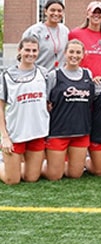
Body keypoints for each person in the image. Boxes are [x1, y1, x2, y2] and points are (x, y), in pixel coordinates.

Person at [0, 38, 50, 184]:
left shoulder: (44, 74)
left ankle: (14, 166)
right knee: (12, 180)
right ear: (19, 51)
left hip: (37, 133)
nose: (31, 53)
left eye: (34, 50)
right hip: (15, 134)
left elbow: (48, 101)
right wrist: (4, 137)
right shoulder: (6, 76)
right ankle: (9, 167)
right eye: (27, 50)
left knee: (31, 178)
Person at [44, 40, 95, 181]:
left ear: (83, 55)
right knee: (54, 176)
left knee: (75, 175)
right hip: (58, 132)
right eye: (71, 52)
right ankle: (38, 165)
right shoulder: (55, 75)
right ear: (65, 53)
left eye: (78, 52)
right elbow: (46, 102)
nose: (74, 55)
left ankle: (62, 163)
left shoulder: (88, 74)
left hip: (81, 131)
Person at [23, 0, 69, 70]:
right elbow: (24, 54)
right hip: (39, 75)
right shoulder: (34, 31)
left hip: (58, 76)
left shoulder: (65, 30)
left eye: (59, 11)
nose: (56, 13)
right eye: (52, 10)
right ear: (45, 11)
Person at [68, 1, 101, 79]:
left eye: (99, 13)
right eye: (94, 12)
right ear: (88, 14)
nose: (96, 15)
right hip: (79, 79)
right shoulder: (75, 34)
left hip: (99, 82)